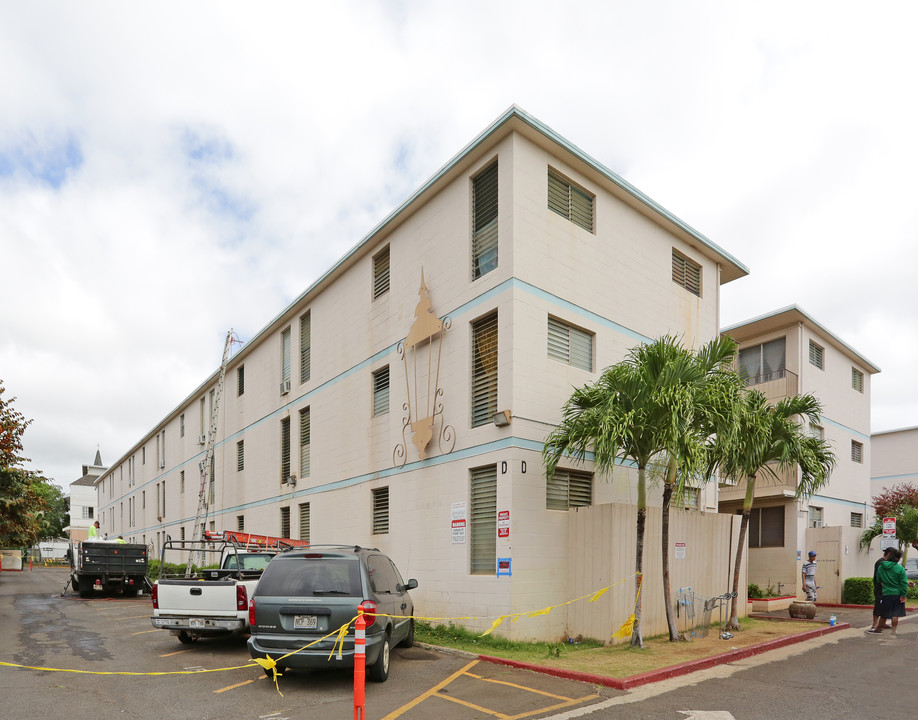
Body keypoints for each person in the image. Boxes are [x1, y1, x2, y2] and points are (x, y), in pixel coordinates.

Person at [870, 548, 908, 635]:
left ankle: (878, 629)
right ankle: (893, 631)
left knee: (884, 613)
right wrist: (903, 594)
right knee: (895, 614)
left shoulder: (881, 567)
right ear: (898, 559)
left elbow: (878, 579)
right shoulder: (900, 568)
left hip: (886, 593)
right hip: (897, 594)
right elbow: (904, 583)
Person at [867, 546, 896, 633]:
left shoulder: (887, 563)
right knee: (878, 606)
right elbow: (879, 578)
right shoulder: (880, 563)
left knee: (885, 606)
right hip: (880, 590)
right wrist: (885, 587)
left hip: (887, 590)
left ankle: (883, 623)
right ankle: (875, 624)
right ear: (889, 554)